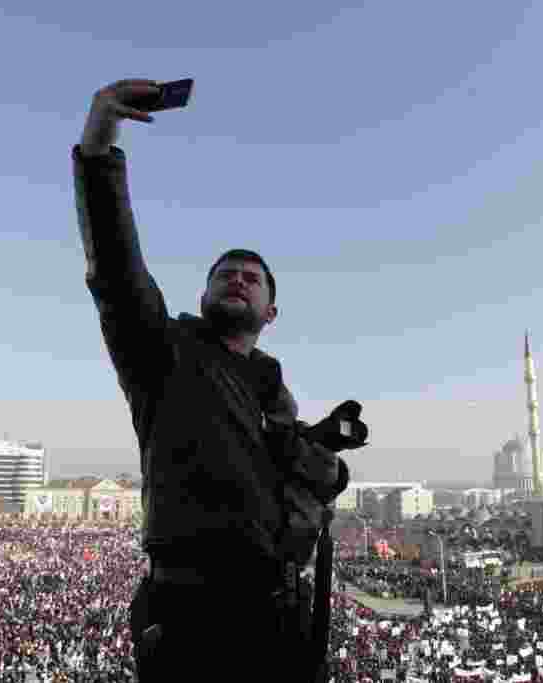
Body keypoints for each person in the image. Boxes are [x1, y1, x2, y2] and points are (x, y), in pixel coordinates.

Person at [73, 78, 366, 682]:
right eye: (226, 273)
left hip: (282, 619)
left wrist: (322, 462)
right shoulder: (164, 354)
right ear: (202, 296)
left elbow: (295, 484)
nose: (238, 278)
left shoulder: (271, 391)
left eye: (252, 277)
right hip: (192, 620)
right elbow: (116, 267)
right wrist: (100, 144)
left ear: (271, 313)